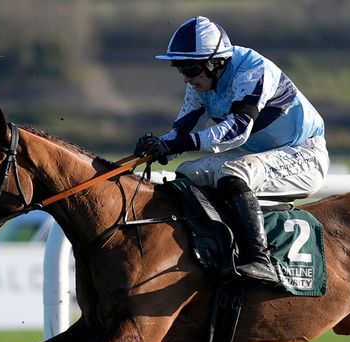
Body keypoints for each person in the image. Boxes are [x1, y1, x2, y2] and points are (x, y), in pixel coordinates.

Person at [135, 16, 329, 285]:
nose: (186, 79)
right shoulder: (201, 82)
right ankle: (209, 249)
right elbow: (181, 131)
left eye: (190, 69)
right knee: (188, 172)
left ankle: (260, 260)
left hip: (303, 153)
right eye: (180, 68)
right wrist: (158, 145)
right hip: (256, 156)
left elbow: (237, 130)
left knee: (233, 171)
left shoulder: (253, 71)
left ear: (216, 62)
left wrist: (178, 144)